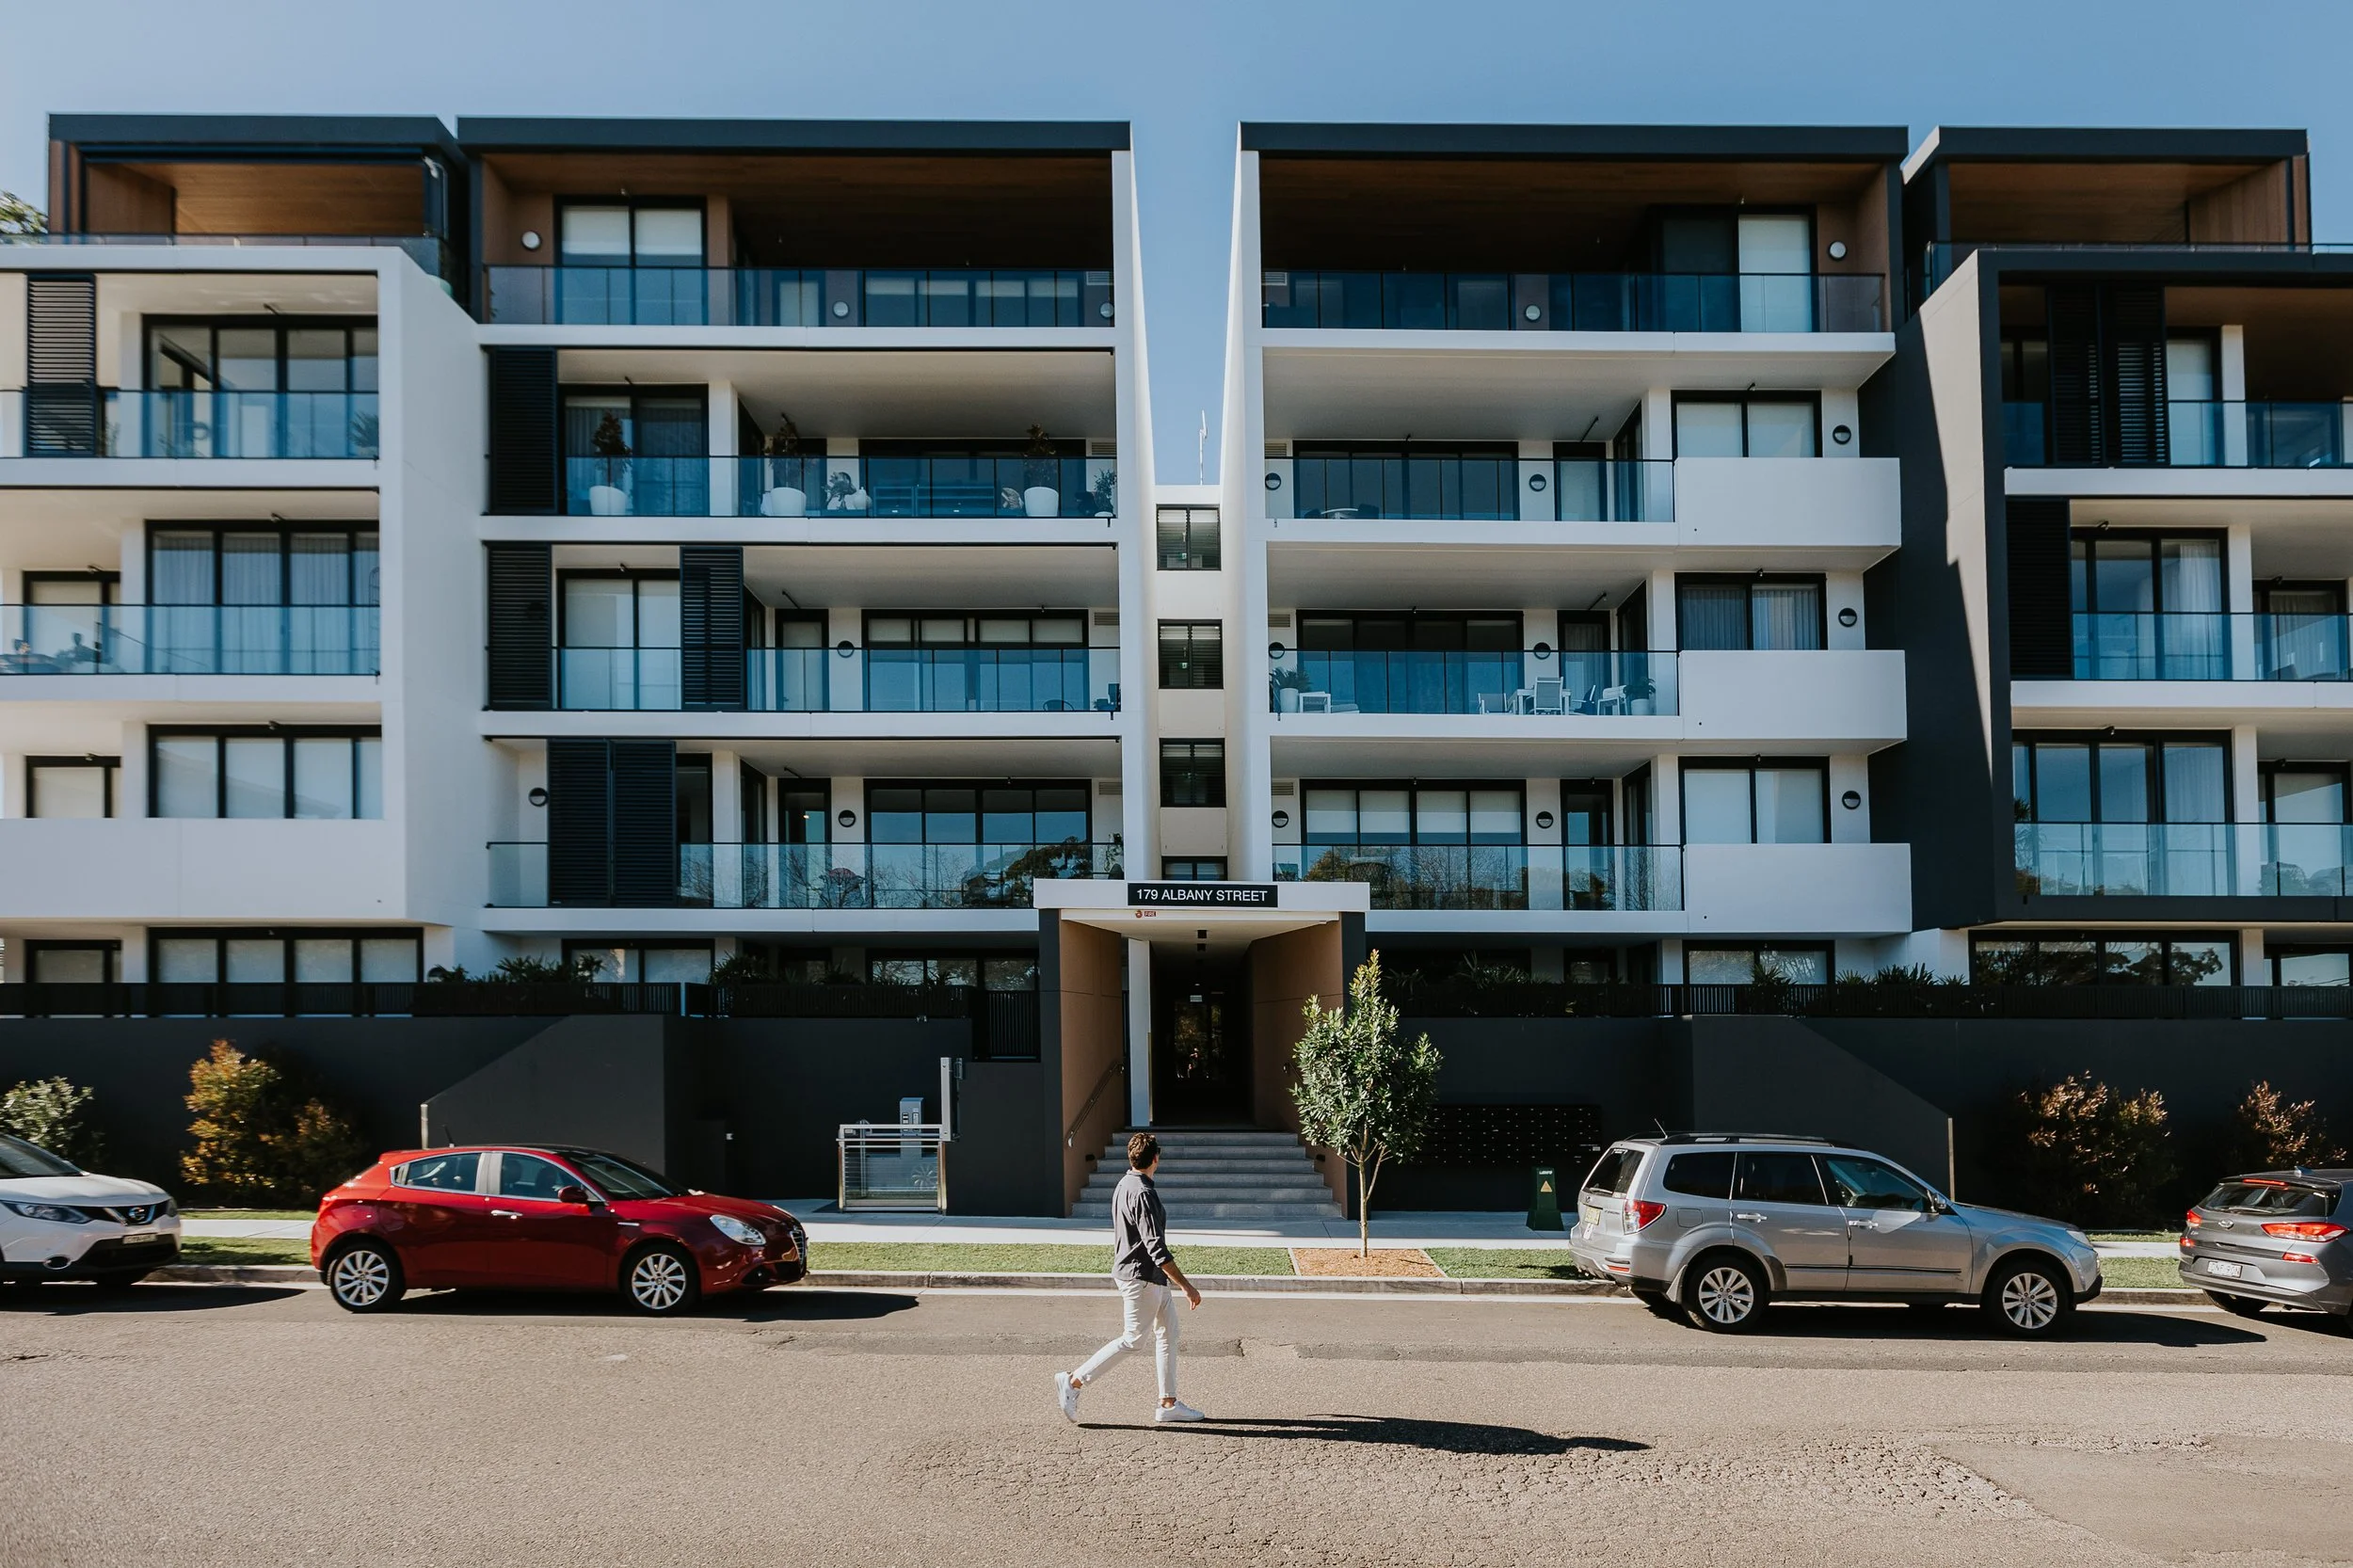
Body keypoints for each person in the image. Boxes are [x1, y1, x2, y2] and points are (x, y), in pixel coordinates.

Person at [1056, 1131, 1205, 1424]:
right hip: (1142, 1278)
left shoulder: (1126, 1184)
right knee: (1133, 1340)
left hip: (1149, 1278)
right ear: (1156, 1159)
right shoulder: (1143, 1193)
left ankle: (1168, 1403)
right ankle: (1073, 1382)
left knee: (1168, 1334)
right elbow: (1156, 1248)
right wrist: (1187, 1287)